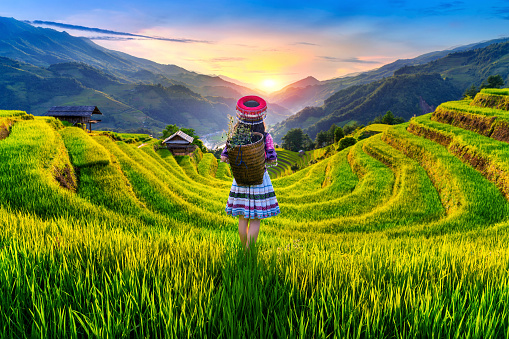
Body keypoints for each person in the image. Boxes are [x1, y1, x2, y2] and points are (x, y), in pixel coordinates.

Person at [220, 96, 280, 250]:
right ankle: (249, 250)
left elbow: (224, 157)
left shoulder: (234, 137)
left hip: (240, 180)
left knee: (243, 217)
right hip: (259, 179)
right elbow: (272, 159)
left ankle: (243, 249)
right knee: (255, 218)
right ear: (261, 119)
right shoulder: (266, 137)